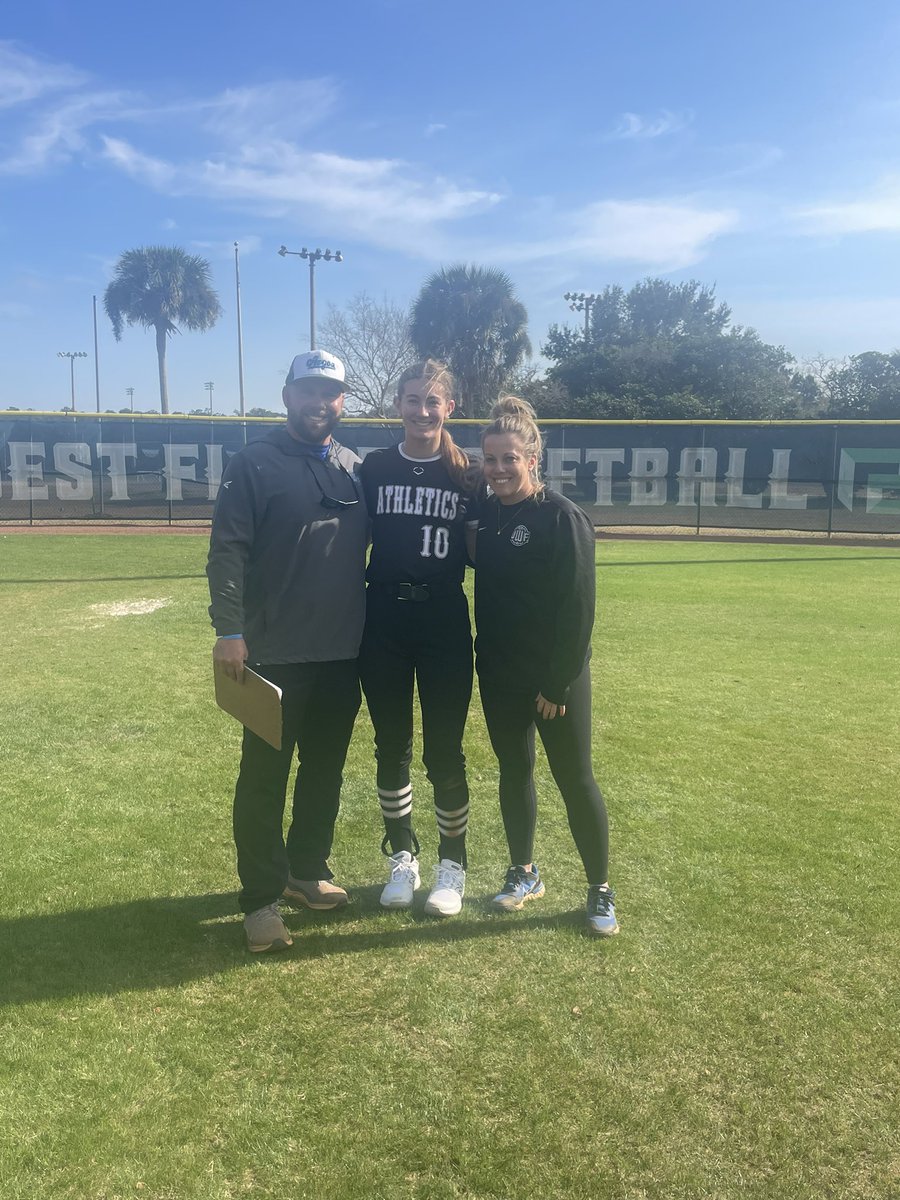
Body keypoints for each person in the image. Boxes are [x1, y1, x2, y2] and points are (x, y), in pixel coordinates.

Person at [207, 350, 369, 953]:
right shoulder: (252, 463)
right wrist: (229, 629)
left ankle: (306, 869)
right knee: (264, 778)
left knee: (325, 770)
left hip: (342, 654)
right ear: (287, 396)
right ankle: (260, 899)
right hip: (272, 654)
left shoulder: (354, 466)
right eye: (308, 391)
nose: (318, 402)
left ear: (342, 401)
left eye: (330, 392)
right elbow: (227, 550)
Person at [474, 396, 618, 937]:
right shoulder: (488, 512)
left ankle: (599, 889)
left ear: (532, 458)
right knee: (514, 772)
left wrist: (556, 683)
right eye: (490, 459)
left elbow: (578, 609)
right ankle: (524, 871)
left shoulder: (562, 516)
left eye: (509, 458)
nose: (498, 469)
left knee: (574, 779)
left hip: (555, 678)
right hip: (500, 674)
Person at [358, 359, 481, 917]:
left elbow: (481, 553)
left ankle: (452, 863)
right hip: (384, 615)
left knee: (445, 750)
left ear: (449, 407)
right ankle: (402, 857)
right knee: (391, 744)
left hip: (443, 619)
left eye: (433, 402)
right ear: (398, 405)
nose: (422, 411)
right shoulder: (375, 467)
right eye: (413, 400)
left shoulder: (467, 473)